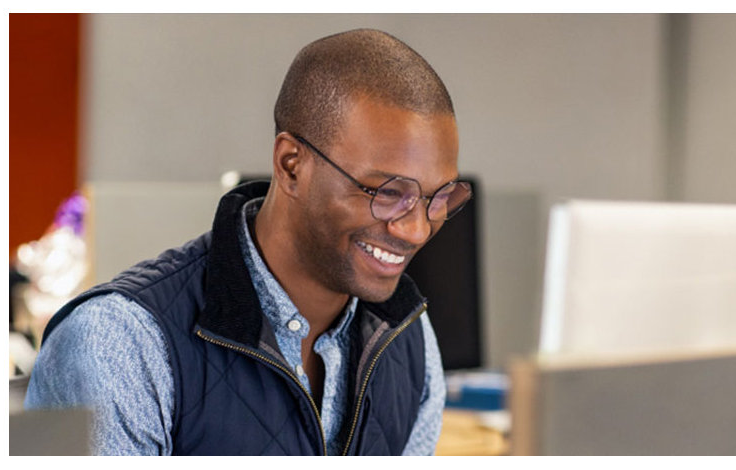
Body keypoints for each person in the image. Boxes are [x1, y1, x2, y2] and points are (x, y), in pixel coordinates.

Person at [24, 28, 472, 456]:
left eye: (439, 197)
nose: (416, 230)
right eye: (387, 193)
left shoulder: (407, 337)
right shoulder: (120, 344)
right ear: (291, 165)